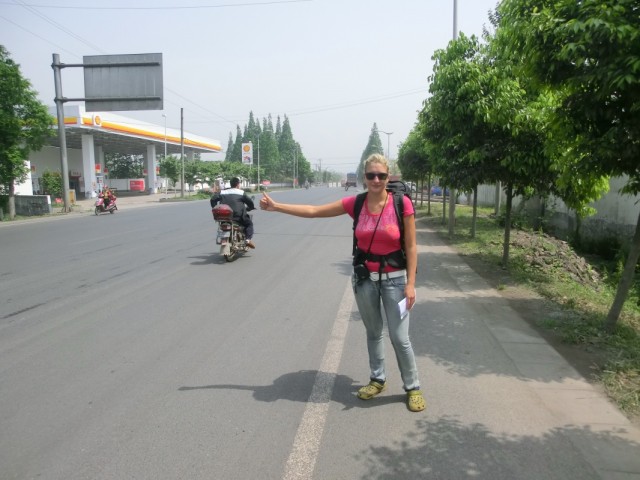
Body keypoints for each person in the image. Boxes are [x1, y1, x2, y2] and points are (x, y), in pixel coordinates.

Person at [260, 154, 425, 412]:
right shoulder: (356, 203)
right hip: (364, 280)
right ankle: (377, 379)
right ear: (364, 177)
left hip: (395, 280)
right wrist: (277, 207)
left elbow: (412, 246)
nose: (376, 180)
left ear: (388, 177)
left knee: (399, 337)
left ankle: (413, 387)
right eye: (371, 175)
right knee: (373, 332)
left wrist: (411, 283)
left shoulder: (401, 203)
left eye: (381, 175)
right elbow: (314, 211)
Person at [210, 177, 256, 249]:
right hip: (238, 216)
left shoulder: (223, 192)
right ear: (238, 184)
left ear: (230, 184)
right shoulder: (241, 192)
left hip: (224, 217)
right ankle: (248, 240)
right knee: (249, 224)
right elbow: (249, 202)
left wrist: (215, 208)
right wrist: (251, 207)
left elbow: (213, 199)